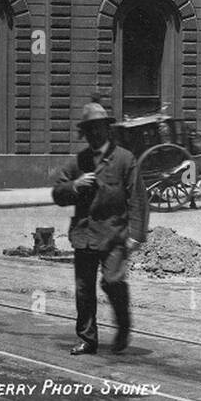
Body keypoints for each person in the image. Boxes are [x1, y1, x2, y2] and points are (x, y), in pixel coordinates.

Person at [52, 102, 148, 356]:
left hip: (115, 235)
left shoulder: (125, 159)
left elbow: (138, 200)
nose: (95, 134)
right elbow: (57, 194)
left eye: (99, 128)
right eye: (89, 130)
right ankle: (87, 339)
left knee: (113, 281)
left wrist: (136, 236)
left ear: (107, 130)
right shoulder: (79, 161)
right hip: (84, 235)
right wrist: (75, 184)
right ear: (85, 133)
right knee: (84, 290)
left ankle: (123, 324)